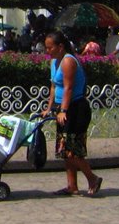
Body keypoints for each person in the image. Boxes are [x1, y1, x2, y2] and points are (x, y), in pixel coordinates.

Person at [41, 30, 102, 197]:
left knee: (72, 149)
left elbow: (68, 88)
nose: (48, 51)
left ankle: (92, 178)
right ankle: (72, 186)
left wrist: (63, 111)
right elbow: (54, 86)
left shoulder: (68, 61)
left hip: (75, 109)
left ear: (60, 47)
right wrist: (49, 107)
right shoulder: (54, 62)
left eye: (50, 48)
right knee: (64, 148)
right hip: (63, 107)